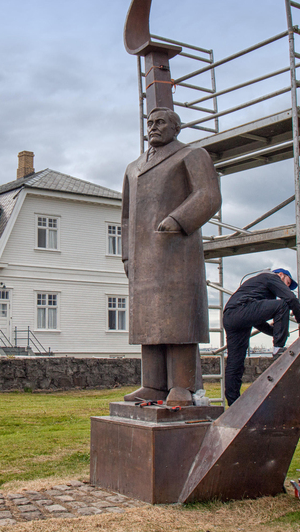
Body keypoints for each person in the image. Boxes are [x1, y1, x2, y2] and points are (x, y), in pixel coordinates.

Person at [121, 107, 222, 406]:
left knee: (178, 320)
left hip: (177, 252)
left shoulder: (191, 155)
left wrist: (179, 220)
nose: (153, 127)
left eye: (161, 122)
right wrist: (127, 255)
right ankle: (152, 384)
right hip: (143, 257)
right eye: (150, 123)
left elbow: (208, 195)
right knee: (148, 322)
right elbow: (126, 217)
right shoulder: (133, 167)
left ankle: (181, 385)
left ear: (176, 128)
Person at [222, 268, 300, 406]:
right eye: (287, 283)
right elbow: (290, 299)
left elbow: (257, 321)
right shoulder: (270, 277)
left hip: (231, 316)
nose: (286, 287)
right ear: (281, 275)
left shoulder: (258, 290)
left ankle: (233, 404)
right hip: (241, 309)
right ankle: (278, 349)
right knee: (283, 305)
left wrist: (276, 331)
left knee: (235, 363)